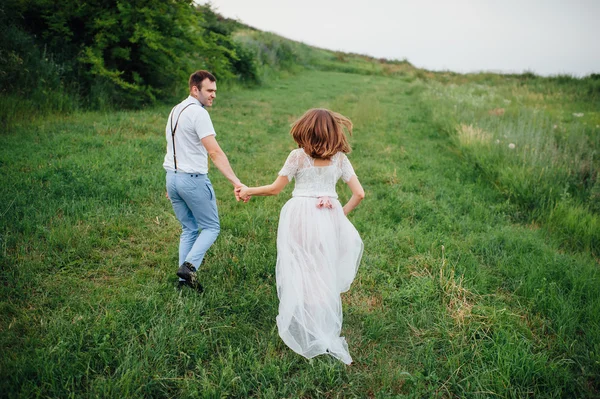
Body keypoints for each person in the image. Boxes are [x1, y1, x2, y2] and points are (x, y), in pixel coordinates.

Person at [237, 108, 365, 364]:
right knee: (322, 266)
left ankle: (304, 321)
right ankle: (322, 322)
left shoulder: (297, 156)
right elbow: (359, 194)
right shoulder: (340, 159)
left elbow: (275, 190)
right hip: (328, 216)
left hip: (298, 216)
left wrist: (248, 189)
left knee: (299, 264)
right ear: (334, 131)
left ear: (304, 129)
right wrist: (339, 214)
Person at [164, 70, 245, 292]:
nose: (213, 95)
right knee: (211, 227)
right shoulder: (198, 114)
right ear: (195, 89)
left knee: (189, 228)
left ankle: (183, 283)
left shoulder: (175, 110)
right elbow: (215, 152)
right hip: (192, 179)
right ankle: (189, 267)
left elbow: (172, 148)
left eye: (215, 91)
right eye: (209, 90)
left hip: (173, 177)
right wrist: (236, 181)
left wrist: (171, 182)